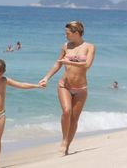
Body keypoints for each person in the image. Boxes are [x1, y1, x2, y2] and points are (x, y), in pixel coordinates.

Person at [39, 21, 95, 155]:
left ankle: (67, 146)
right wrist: (46, 78)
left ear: (76, 33)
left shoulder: (90, 47)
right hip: (64, 85)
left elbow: (87, 65)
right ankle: (64, 140)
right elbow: (58, 64)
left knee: (74, 119)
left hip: (81, 88)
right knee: (66, 111)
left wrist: (68, 61)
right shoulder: (65, 46)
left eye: (67, 33)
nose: (65, 35)